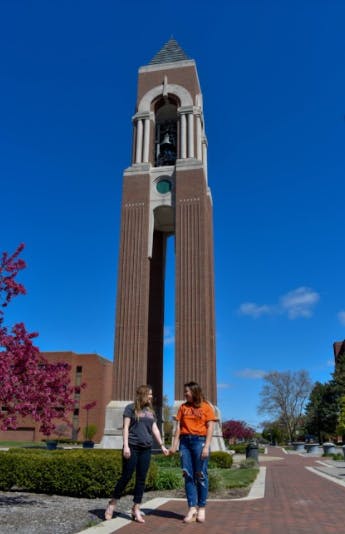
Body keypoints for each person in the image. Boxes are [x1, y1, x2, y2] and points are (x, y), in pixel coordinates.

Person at [105, 385, 169, 522]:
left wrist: (162, 445)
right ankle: (112, 503)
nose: (152, 397)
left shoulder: (150, 411)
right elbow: (126, 427)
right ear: (142, 395)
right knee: (126, 476)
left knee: (141, 478)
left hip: (146, 448)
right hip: (132, 447)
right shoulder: (130, 408)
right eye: (149, 394)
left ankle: (136, 508)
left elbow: (155, 429)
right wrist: (126, 446)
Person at [170, 381, 216, 523]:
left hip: (199, 441)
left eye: (187, 392)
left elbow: (210, 427)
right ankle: (191, 508)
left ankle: (201, 507)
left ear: (194, 392)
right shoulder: (183, 407)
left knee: (201, 474)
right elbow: (178, 427)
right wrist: (174, 445)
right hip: (184, 442)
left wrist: (206, 446)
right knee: (187, 474)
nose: (185, 394)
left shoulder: (206, 407)